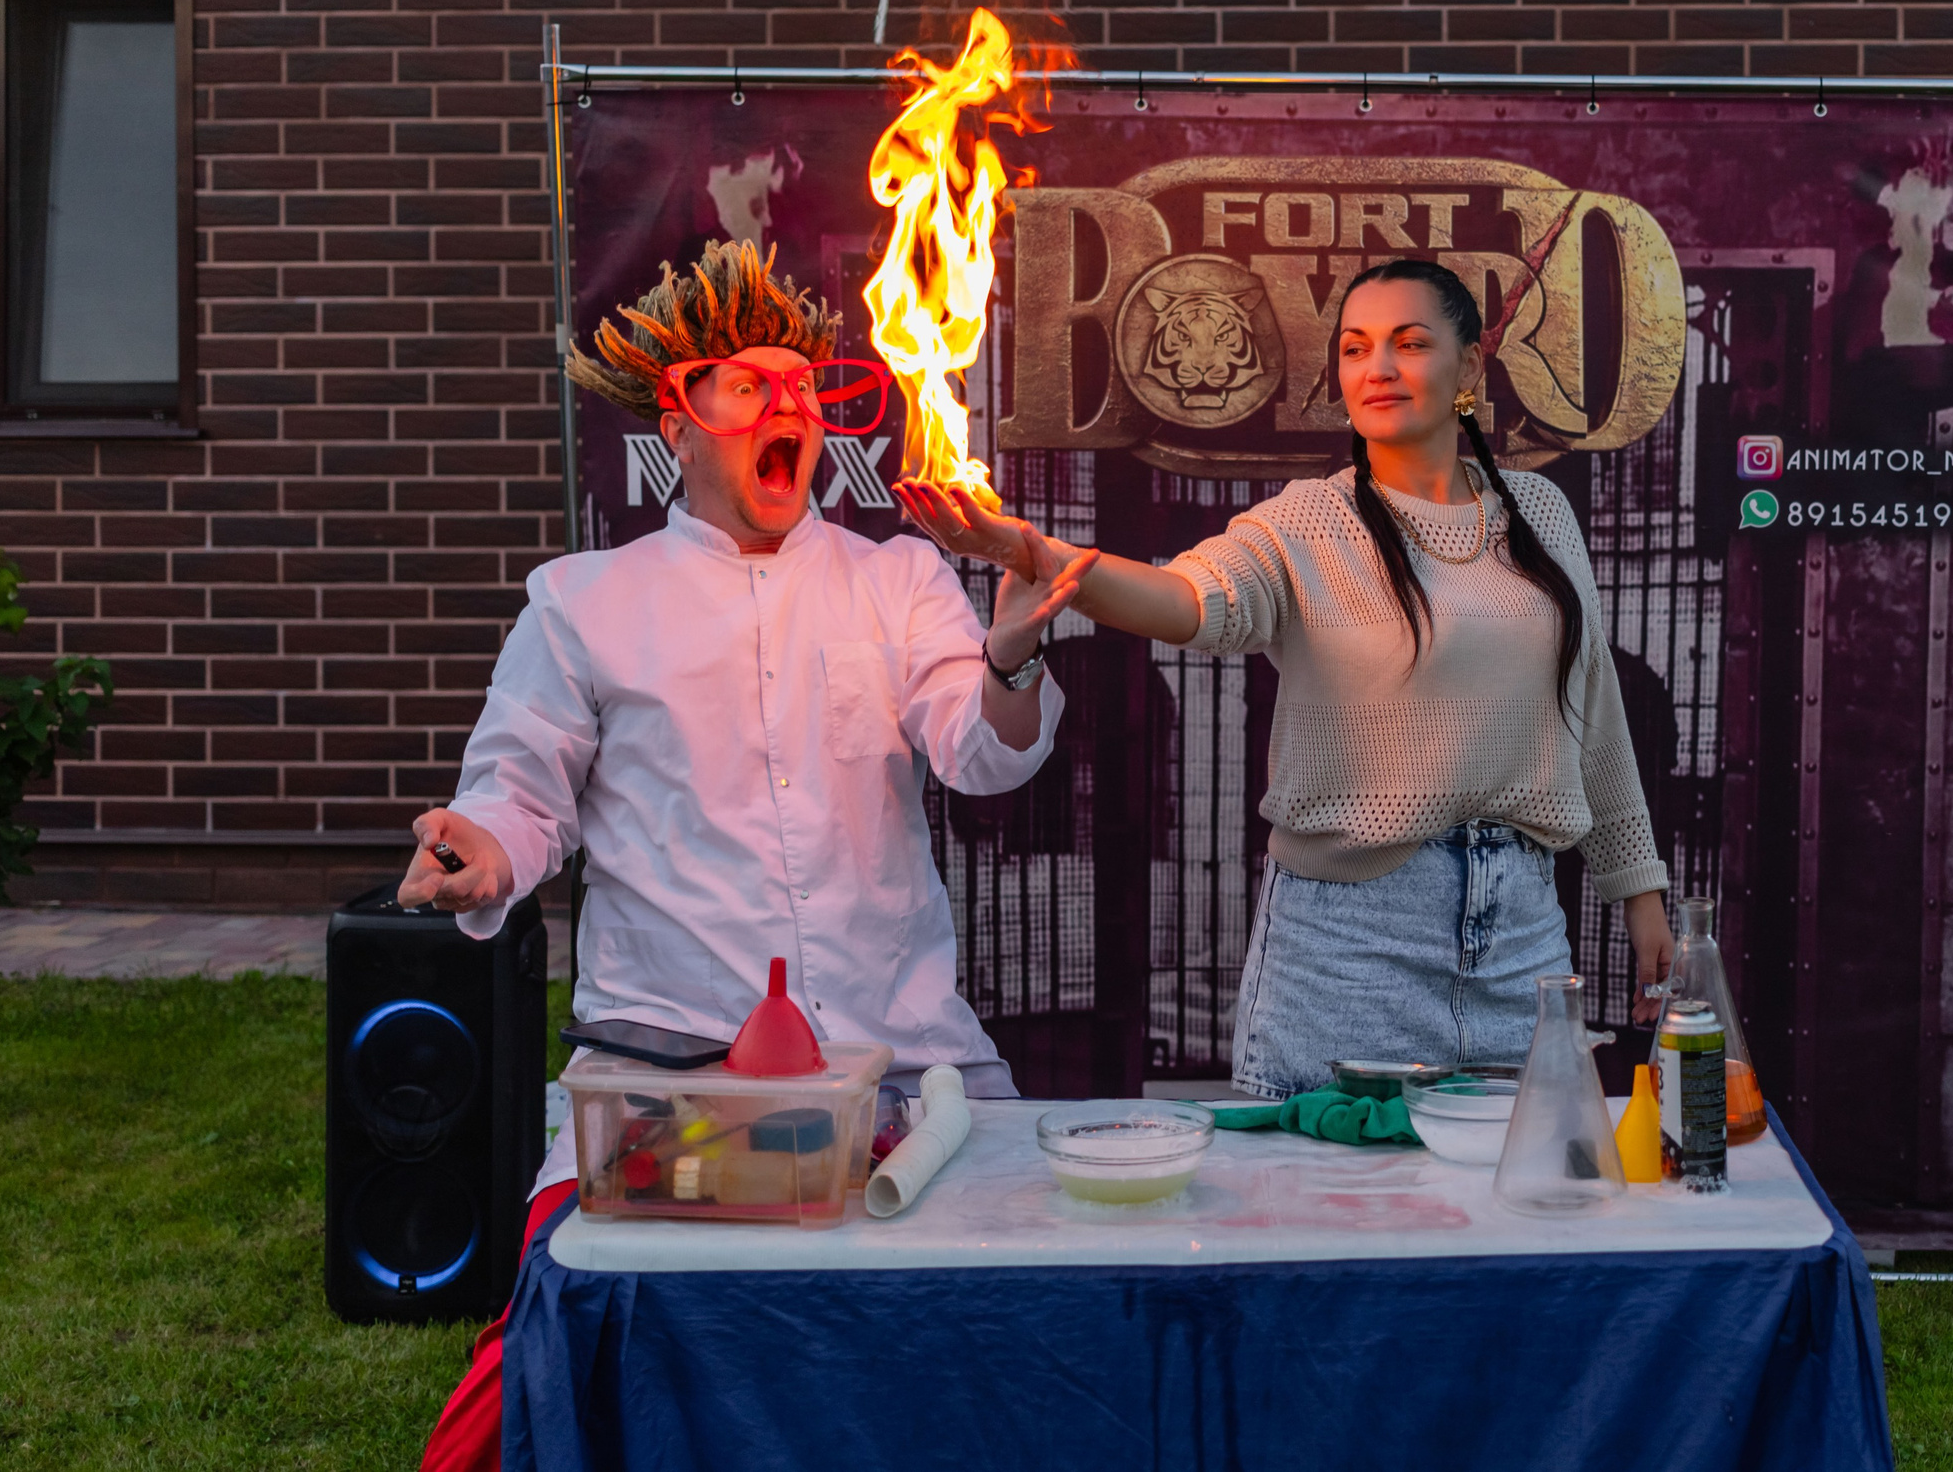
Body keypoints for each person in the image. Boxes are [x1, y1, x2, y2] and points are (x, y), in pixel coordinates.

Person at [402, 240, 1093, 1472]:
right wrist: (487, 850)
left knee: (1016, 1346)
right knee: (568, 1361)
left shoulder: (901, 578)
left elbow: (980, 751)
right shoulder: (583, 599)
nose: (790, 409)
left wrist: (1012, 660)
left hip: (905, 1072)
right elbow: (521, 787)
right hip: (674, 1088)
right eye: (748, 387)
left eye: (804, 389)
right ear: (680, 411)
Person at [898, 258, 1671, 1101]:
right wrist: (1038, 556)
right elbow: (1188, 597)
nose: (1378, 368)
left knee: (1513, 1209)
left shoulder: (1541, 514)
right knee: (1332, 1214)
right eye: (1355, 347)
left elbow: (1592, 711)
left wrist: (1639, 890)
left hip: (1523, 939)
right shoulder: (1310, 520)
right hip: (1349, 949)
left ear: (1471, 369)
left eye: (1410, 343)